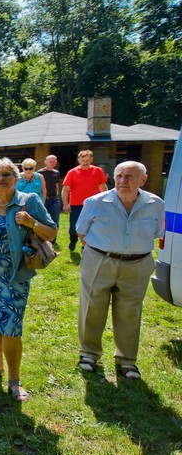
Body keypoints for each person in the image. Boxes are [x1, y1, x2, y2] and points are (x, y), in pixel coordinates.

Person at [0, 158, 57, 402]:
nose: (1, 179)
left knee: (11, 328)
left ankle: (14, 380)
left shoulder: (29, 201)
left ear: (16, 178)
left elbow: (52, 232)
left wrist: (31, 222)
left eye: (7, 174)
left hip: (14, 276)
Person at [75, 161, 164, 380]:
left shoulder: (155, 204)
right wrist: (105, 252)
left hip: (137, 264)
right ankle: (89, 355)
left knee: (130, 312)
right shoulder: (95, 202)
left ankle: (126, 361)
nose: (123, 181)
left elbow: (157, 232)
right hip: (100, 260)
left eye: (129, 176)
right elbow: (81, 233)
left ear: (143, 180)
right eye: (119, 176)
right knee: (92, 307)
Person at [62, 150, 107, 251]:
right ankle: (73, 240)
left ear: (91, 159)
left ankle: (85, 247)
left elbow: (103, 188)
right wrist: (65, 204)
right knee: (74, 228)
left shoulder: (98, 171)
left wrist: (105, 202)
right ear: (79, 160)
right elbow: (65, 190)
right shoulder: (72, 172)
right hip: (76, 205)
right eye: (83, 160)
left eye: (87, 160)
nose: (85, 162)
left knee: (91, 227)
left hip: (93, 204)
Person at [38, 155, 61, 238]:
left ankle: (53, 238)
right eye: (50, 161)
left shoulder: (56, 172)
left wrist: (56, 196)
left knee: (55, 220)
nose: (52, 163)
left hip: (54, 199)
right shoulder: (40, 173)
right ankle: (42, 236)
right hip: (43, 200)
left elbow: (56, 185)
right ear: (45, 162)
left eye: (54, 161)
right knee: (42, 219)